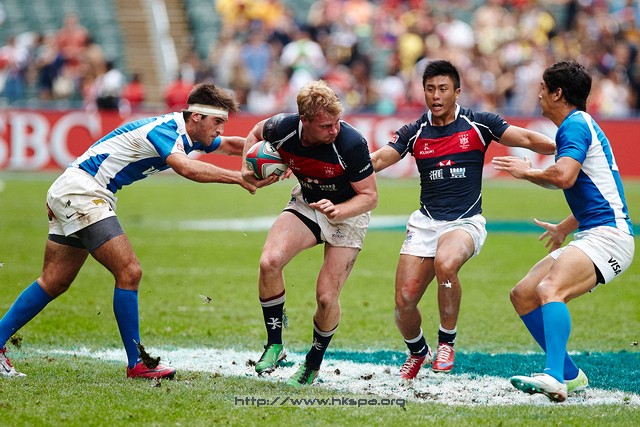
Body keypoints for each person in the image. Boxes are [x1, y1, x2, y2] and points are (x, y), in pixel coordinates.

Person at [0, 83, 257, 379]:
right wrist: (239, 177)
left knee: (54, 281)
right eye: (218, 121)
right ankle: (137, 363)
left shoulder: (187, 134)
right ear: (196, 117)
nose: (221, 129)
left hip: (74, 189)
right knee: (129, 272)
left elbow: (232, 145)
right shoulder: (165, 130)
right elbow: (187, 169)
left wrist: (279, 151)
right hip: (83, 191)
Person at [370, 59, 556, 380]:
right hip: (425, 222)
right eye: (430, 89)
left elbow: (527, 139)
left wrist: (569, 146)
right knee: (404, 302)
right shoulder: (414, 132)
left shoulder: (479, 123)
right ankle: (418, 351)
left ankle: (446, 342)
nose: (436, 95)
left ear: (457, 92)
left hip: (465, 222)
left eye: (443, 89)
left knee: (446, 262)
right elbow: (377, 160)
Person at [492, 60, 634, 402]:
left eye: (543, 88)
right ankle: (570, 374)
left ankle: (554, 376)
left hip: (609, 238)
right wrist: (564, 227)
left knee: (549, 289)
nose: (538, 94)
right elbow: (597, 189)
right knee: (523, 294)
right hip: (596, 233)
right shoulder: (577, 125)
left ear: (558, 93)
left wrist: (526, 172)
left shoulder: (574, 125)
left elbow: (564, 177)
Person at [241, 80, 377, 387]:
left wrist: (339, 210)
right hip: (308, 203)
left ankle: (312, 364)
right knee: (269, 262)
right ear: (305, 121)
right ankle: (275, 345)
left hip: (348, 214)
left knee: (326, 298)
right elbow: (255, 133)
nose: (334, 130)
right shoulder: (283, 128)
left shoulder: (351, 143)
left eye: (337, 121)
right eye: (326, 125)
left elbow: (370, 197)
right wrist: (245, 169)